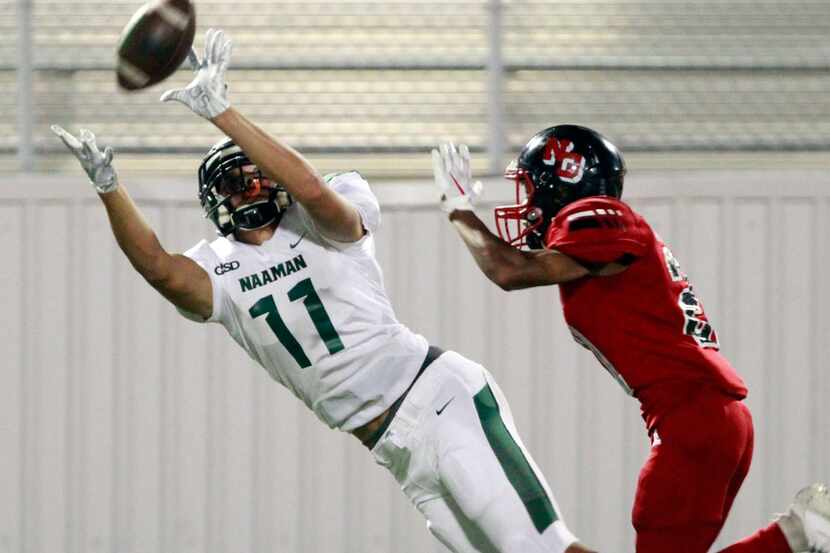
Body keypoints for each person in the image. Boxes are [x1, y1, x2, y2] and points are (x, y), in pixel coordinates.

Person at [51, 29, 595, 553]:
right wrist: (110, 189)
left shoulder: (322, 212)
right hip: (392, 448)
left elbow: (311, 188)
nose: (247, 189)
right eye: (232, 184)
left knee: (541, 547)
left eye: (252, 174)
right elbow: (158, 268)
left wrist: (222, 113)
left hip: (437, 400)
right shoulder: (219, 266)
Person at [431, 127, 830, 553]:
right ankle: (794, 537)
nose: (525, 205)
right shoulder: (600, 238)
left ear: (565, 182)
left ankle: (801, 534)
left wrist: (459, 210)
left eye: (529, 188)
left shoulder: (598, 215)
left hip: (692, 416)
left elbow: (509, 271)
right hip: (705, 416)